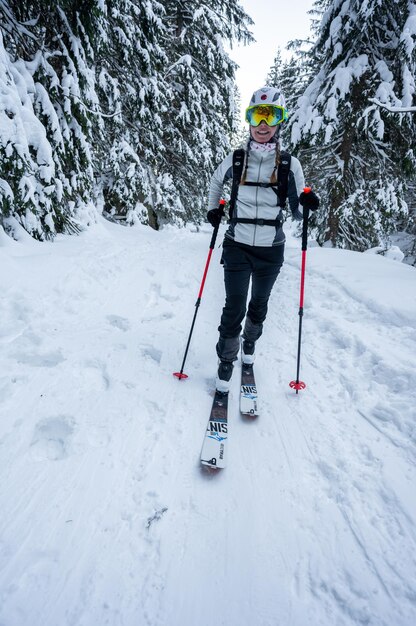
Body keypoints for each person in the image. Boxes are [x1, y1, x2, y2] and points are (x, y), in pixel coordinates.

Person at [207, 86, 319, 393]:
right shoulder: (237, 159)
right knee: (234, 305)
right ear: (250, 119)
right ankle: (226, 360)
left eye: (271, 116)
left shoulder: (288, 164)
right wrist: (213, 209)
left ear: (279, 121)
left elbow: (297, 209)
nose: (263, 124)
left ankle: (250, 344)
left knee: (258, 304)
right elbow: (216, 182)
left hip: (271, 249)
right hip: (237, 244)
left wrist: (307, 204)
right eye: (258, 115)